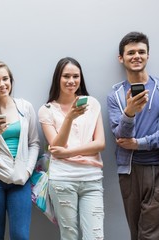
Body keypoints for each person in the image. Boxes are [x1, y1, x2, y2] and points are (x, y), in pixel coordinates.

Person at [107, 32, 159, 240]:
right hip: (129, 173)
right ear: (121, 58)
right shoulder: (115, 96)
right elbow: (121, 136)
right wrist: (129, 112)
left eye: (141, 52)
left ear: (148, 56)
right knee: (137, 234)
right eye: (130, 52)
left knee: (153, 237)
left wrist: (141, 144)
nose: (136, 56)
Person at [38, 57, 105, 240]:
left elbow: (99, 144)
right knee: (69, 235)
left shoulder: (92, 104)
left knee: (95, 236)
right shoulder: (47, 110)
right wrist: (69, 118)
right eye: (66, 76)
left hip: (92, 179)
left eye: (76, 76)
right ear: (57, 78)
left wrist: (67, 153)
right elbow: (56, 145)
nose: (71, 81)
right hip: (62, 179)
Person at [0, 61, 40, 240]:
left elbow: (34, 143)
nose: (2, 84)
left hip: (20, 178)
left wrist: (27, 171)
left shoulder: (25, 107)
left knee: (20, 235)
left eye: (5, 79)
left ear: (11, 80)